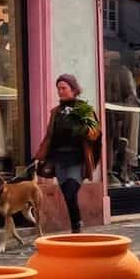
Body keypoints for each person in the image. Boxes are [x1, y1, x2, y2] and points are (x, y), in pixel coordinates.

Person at [35, 74, 101, 234]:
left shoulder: (84, 109)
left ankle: (77, 225)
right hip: (59, 159)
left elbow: (95, 132)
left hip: (76, 159)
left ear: (73, 89)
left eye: (64, 88)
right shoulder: (56, 112)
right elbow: (49, 136)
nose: (60, 91)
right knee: (67, 195)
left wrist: (83, 129)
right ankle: (76, 227)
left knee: (71, 190)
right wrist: (40, 154)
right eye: (58, 89)